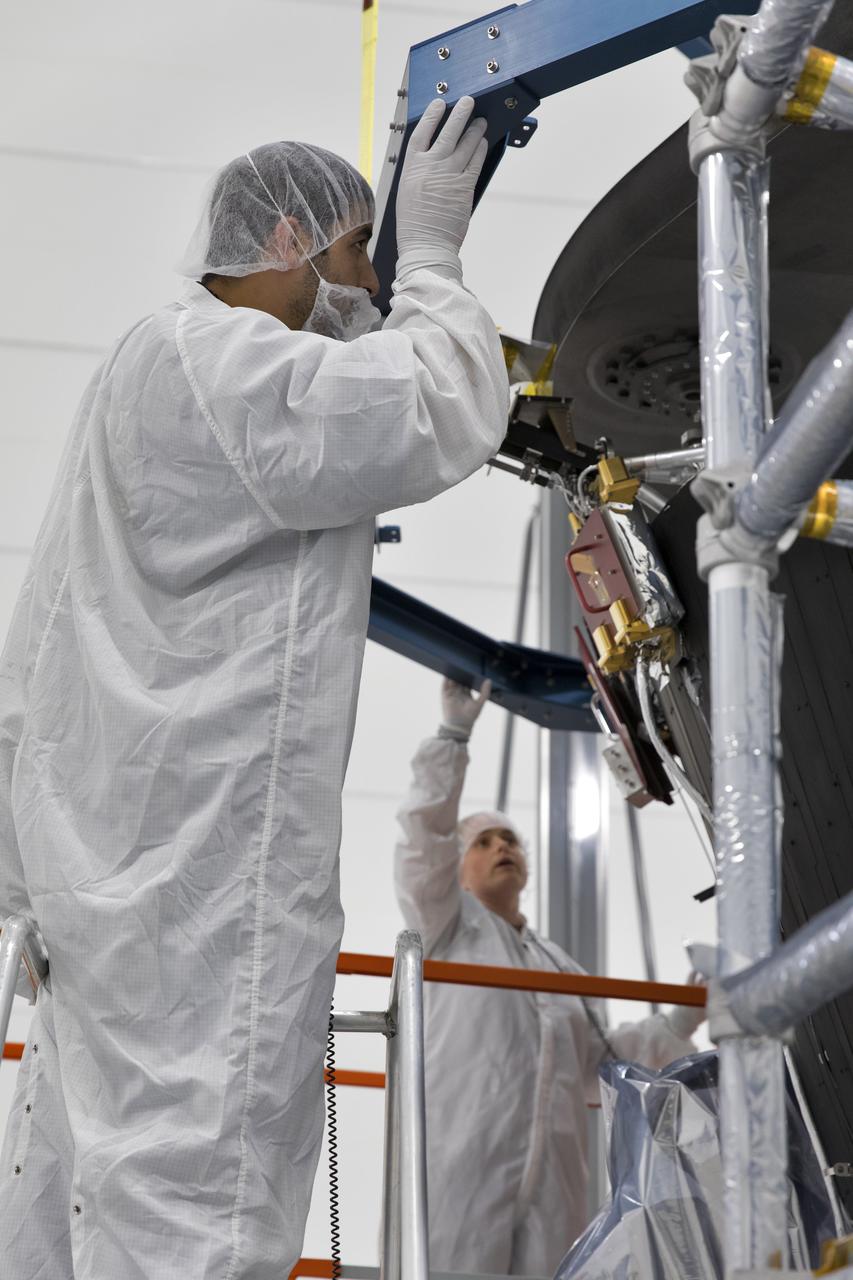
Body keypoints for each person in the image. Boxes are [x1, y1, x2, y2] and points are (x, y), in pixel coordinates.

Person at [0, 98, 509, 1279]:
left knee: (73, 1204)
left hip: (102, 897)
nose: (362, 293)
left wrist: (27, 883)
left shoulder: (142, 370)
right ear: (286, 237)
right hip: (202, 898)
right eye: (351, 257)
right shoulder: (224, 362)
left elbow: (34, 659)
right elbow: (433, 408)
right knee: (200, 1210)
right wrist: (434, 259)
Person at [395, 678, 706, 1277]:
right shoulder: (445, 932)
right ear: (456, 871)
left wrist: (680, 1017)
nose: (500, 847)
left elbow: (605, 1057)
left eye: (509, 839)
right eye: (482, 842)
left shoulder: (557, 964)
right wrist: (452, 737)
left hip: (553, 1184)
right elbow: (421, 839)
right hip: (458, 1161)